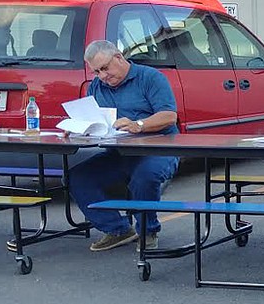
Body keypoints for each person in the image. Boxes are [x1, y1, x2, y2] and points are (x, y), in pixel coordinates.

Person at [68, 40, 180, 252]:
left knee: (144, 177)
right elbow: (93, 119)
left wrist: (139, 125)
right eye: (96, 72)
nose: (102, 76)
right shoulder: (97, 86)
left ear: (119, 57)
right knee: (78, 177)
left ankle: (148, 231)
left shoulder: (150, 78)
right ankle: (117, 230)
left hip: (159, 148)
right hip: (119, 151)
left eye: (105, 68)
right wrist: (78, 128)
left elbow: (169, 116)